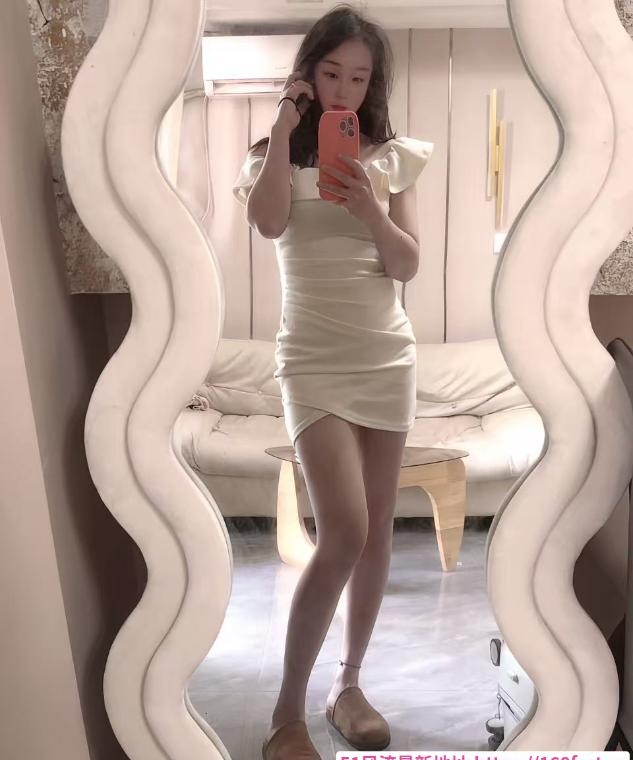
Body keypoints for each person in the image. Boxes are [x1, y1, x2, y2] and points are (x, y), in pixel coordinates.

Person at [232, 4, 434, 759]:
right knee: (344, 528)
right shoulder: (272, 154)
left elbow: (407, 264)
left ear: (371, 83)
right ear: (307, 73)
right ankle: (285, 716)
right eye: (331, 73)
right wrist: (284, 128)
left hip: (386, 358)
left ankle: (347, 686)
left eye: (358, 77)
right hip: (312, 361)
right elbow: (268, 223)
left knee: (374, 533)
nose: (345, 90)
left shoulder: (393, 158)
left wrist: (373, 210)